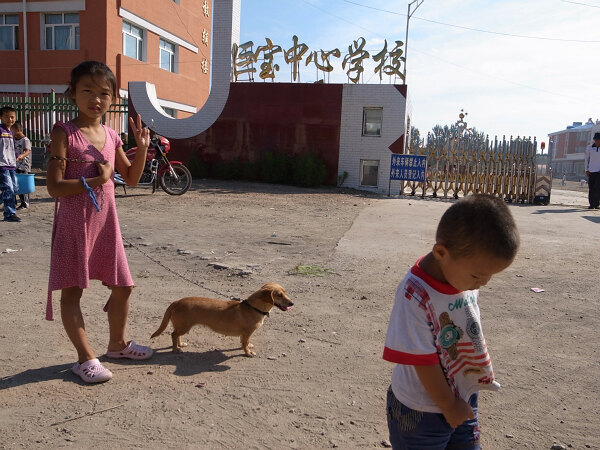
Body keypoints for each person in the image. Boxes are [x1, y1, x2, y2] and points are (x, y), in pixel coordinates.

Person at [383, 193, 519, 449]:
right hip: (421, 410)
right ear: (441, 252)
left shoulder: (461, 274)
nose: (484, 283)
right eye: (479, 275)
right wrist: (448, 405)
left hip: (463, 396)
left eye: (490, 276)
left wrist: (458, 401)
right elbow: (421, 359)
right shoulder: (416, 294)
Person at [46, 61, 153, 383]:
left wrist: (143, 150)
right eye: (87, 91)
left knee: (123, 286)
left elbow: (131, 180)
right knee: (72, 292)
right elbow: (54, 187)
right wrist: (94, 181)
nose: (95, 99)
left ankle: (118, 344)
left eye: (103, 93)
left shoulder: (111, 134)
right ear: (73, 94)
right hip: (74, 222)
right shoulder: (63, 131)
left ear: (113, 97)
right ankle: (85, 359)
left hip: (106, 223)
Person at [0, 105, 21, 222]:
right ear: (1, 117)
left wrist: (16, 156)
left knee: (15, 188)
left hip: (11, 164)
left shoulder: (11, 132)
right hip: (2, 165)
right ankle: (9, 214)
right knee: (8, 188)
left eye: (12, 117)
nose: (10, 120)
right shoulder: (0, 130)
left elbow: (14, 147)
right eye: (7, 117)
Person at [12, 121, 32, 209]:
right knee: (13, 184)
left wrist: (22, 156)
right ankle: (13, 202)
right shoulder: (13, 139)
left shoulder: (25, 140)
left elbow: (28, 151)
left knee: (22, 184)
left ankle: (25, 203)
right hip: (14, 164)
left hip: (23, 165)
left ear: (18, 130)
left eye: (12, 130)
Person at [584, 132, 600, 209]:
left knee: (598, 188)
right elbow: (586, 159)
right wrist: (586, 169)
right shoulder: (589, 148)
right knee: (591, 188)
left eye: (598, 140)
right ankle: (591, 204)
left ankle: (596, 204)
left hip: (599, 172)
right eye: (596, 140)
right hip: (591, 171)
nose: (597, 141)